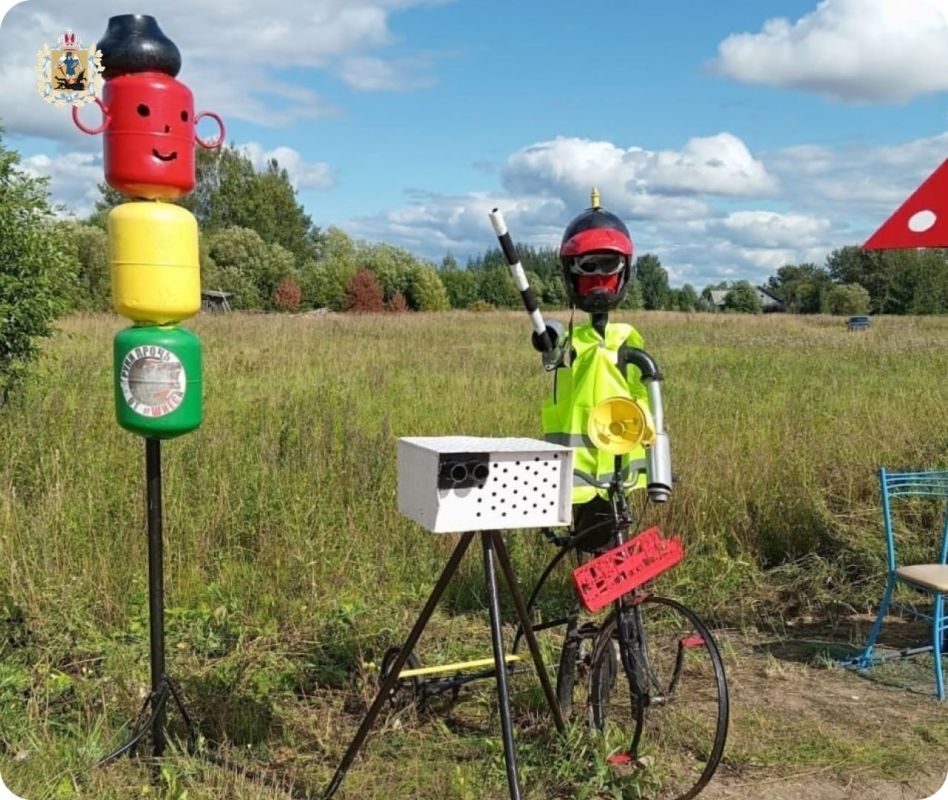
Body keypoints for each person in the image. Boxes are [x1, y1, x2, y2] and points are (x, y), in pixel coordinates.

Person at [537, 189, 652, 551]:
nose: (599, 276)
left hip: (620, 466)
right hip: (578, 468)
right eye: (589, 266)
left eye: (607, 265)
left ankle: (616, 602)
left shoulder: (626, 337)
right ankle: (588, 599)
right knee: (588, 545)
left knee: (614, 545)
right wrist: (547, 336)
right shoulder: (573, 337)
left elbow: (646, 394)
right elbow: (551, 343)